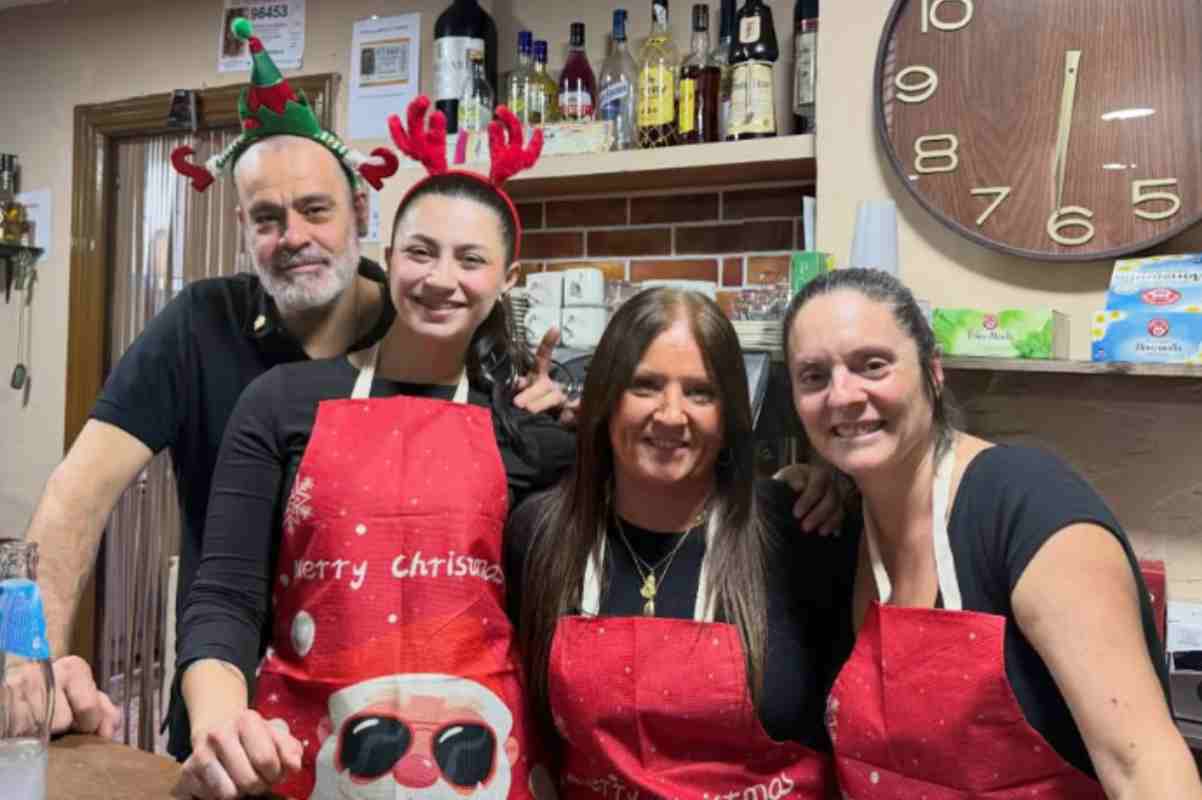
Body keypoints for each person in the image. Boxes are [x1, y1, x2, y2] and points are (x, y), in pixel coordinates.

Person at [22, 19, 563, 753]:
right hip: (226, 706)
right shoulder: (198, 327)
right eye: (267, 219)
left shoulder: (433, 334)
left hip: (397, 725)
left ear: (361, 213)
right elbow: (75, 496)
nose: (295, 237)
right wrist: (29, 670)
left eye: (316, 209)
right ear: (243, 228)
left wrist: (558, 414)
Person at [171, 96, 576, 800]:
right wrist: (218, 719)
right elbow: (224, 597)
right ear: (387, 257)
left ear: (506, 280)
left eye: (471, 259)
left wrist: (807, 481)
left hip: (473, 766)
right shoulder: (281, 401)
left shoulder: (526, 430)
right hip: (301, 762)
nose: (440, 278)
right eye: (420, 251)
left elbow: (660, 493)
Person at [780, 267, 1201, 799]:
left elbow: (1146, 770)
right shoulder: (838, 530)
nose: (842, 395)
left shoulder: (1024, 507)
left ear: (933, 372)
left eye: (873, 365)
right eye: (814, 376)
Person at [506, 287, 855, 800]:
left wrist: (842, 483)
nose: (671, 415)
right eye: (645, 386)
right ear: (604, 397)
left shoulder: (799, 528)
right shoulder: (541, 533)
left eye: (700, 392)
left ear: (731, 410)